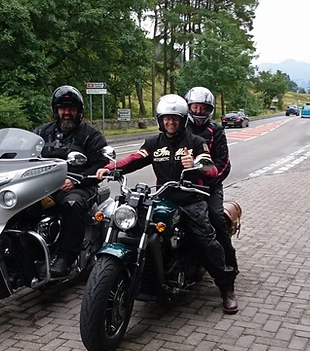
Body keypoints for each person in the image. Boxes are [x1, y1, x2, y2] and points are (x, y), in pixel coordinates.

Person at [96, 94, 238, 313]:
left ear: (182, 119)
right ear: (160, 120)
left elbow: (211, 169)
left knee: (206, 242)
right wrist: (111, 168)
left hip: (191, 200)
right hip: (162, 199)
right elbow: (135, 158)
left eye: (175, 118)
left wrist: (197, 164)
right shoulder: (154, 143)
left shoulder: (196, 142)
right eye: (166, 118)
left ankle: (226, 287)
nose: (170, 122)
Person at [34, 85, 108, 277]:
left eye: (71, 109)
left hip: (79, 187)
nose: (67, 113)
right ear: (56, 110)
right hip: (45, 187)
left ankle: (66, 257)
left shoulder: (91, 135)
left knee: (72, 204)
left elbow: (101, 164)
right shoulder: (41, 133)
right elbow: (26, 155)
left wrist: (77, 181)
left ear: (79, 111)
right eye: (63, 108)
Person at [184, 86, 238, 311]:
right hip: (183, 185)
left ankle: (228, 274)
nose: (198, 111)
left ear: (210, 109)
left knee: (215, 218)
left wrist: (208, 180)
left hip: (209, 186)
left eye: (203, 108)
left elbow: (223, 163)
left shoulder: (216, 130)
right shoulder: (180, 126)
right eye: (195, 107)